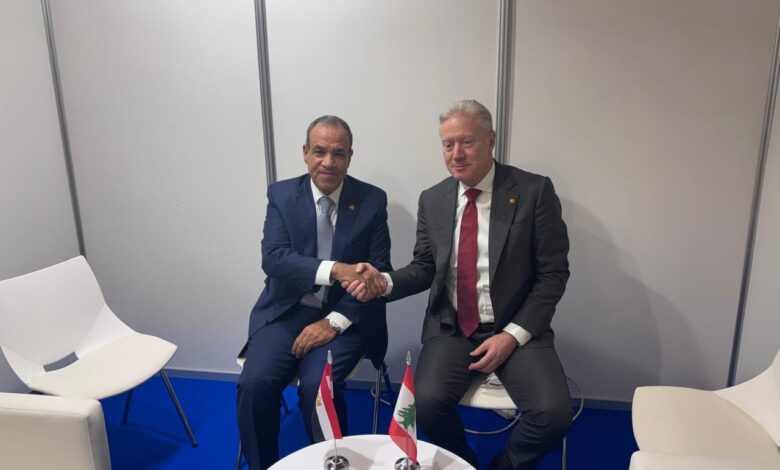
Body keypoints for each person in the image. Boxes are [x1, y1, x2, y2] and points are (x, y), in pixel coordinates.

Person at [345, 100, 571, 469]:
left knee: (554, 414)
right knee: (426, 405)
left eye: (467, 142)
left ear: (490, 140)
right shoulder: (433, 199)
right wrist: (382, 282)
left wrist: (512, 335)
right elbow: (424, 267)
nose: (456, 154)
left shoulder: (533, 191)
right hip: (452, 327)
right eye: (448, 144)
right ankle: (464, 464)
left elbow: (553, 274)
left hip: (516, 325)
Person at [237, 115, 391, 470]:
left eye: (339, 153)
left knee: (318, 388)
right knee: (254, 383)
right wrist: (336, 269)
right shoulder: (281, 195)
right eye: (320, 151)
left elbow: (378, 274)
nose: (328, 162)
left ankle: (333, 464)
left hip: (345, 316)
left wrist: (333, 323)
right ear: (305, 153)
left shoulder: (371, 200)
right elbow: (274, 259)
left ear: (350, 157)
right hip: (287, 311)